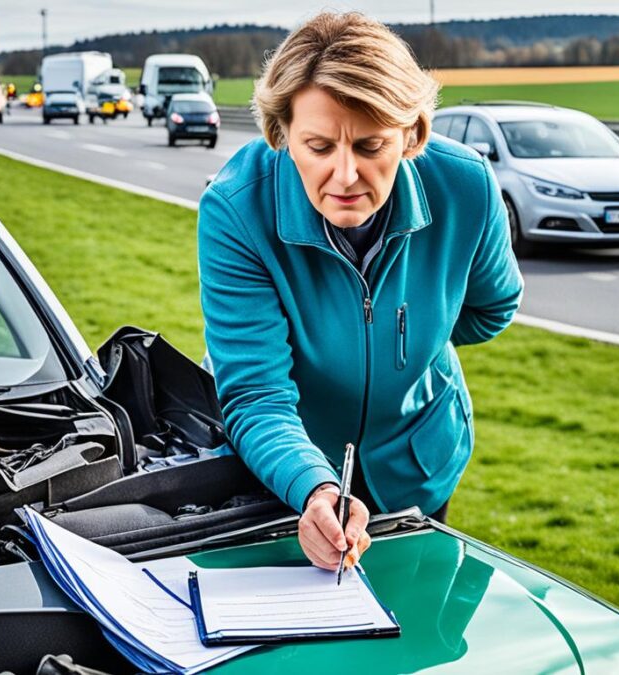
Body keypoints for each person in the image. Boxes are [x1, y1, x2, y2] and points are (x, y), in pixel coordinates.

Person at [196, 12, 523, 572]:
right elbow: (256, 394)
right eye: (318, 147)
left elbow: (493, 308)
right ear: (282, 136)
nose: (345, 176)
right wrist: (314, 489)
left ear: (411, 134)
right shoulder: (234, 210)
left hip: (421, 460)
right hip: (284, 465)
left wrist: (411, 339)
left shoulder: (467, 185)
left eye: (371, 146)